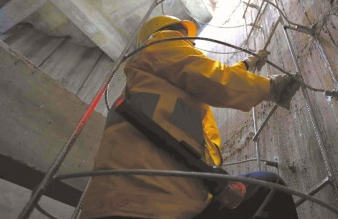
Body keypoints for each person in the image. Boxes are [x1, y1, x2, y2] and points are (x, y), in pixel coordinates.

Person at [80, 15, 300, 219]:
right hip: (142, 205)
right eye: (188, 40)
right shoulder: (161, 42)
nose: (192, 46)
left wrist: (248, 64)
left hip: (144, 204)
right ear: (174, 33)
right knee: (268, 189)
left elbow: (209, 76)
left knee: (263, 190)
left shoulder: (150, 83)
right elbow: (210, 76)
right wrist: (271, 88)